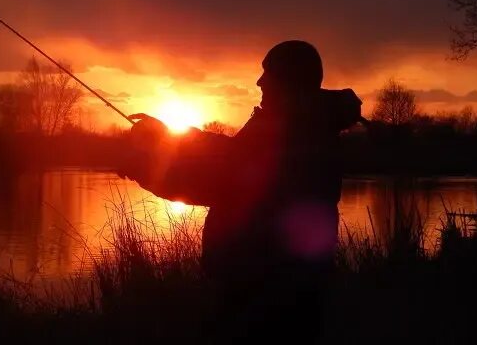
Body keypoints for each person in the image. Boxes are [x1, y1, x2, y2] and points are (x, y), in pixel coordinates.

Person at [123, 40, 362, 343]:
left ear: (289, 80)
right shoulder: (307, 125)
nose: (259, 81)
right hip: (287, 291)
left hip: (262, 294)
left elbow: (217, 179)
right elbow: (229, 154)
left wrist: (145, 167)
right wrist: (167, 136)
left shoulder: (291, 134)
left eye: (268, 73)